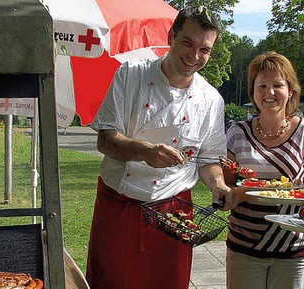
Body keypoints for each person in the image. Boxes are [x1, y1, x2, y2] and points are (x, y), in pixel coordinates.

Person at [86, 6, 230, 289]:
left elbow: (208, 160)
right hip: (120, 204)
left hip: (174, 212)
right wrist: (146, 152)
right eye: (188, 42)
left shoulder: (211, 100)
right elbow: (105, 140)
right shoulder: (130, 74)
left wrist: (218, 185)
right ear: (171, 36)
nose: (195, 55)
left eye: (205, 49)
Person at [221, 51, 304, 289]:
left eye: (277, 85)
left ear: (290, 89)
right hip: (245, 246)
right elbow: (226, 186)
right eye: (262, 86)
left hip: (294, 246)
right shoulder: (237, 132)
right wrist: (233, 193)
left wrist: (302, 193)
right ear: (253, 91)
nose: (269, 93)